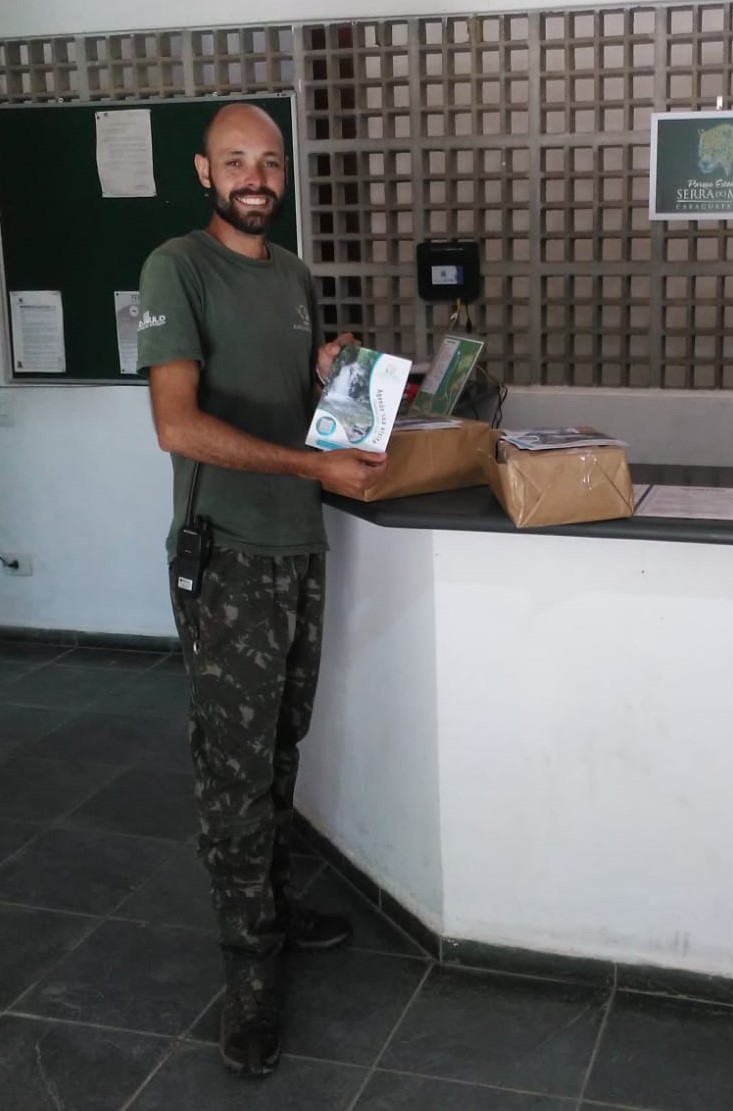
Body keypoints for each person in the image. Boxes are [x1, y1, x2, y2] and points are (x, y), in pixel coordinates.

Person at [137, 102, 385, 1079]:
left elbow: (290, 408)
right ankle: (247, 965)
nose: (256, 177)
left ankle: (273, 908)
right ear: (205, 172)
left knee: (281, 743)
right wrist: (312, 468)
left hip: (298, 547)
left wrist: (326, 374)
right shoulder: (176, 268)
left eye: (269, 161)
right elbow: (177, 424)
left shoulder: (292, 275)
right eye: (236, 161)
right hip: (229, 554)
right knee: (232, 770)